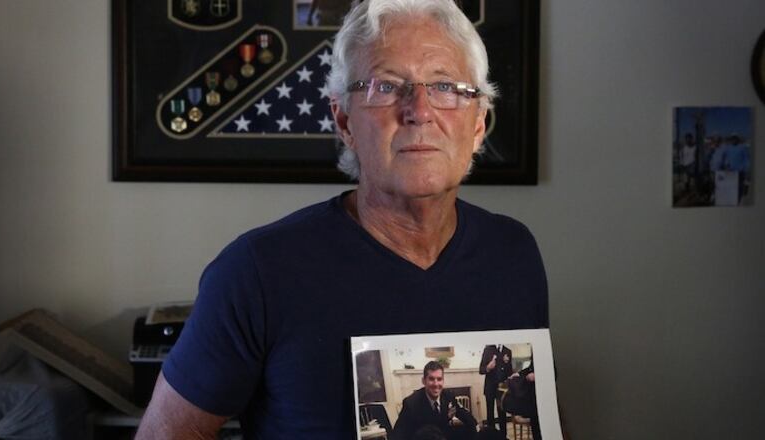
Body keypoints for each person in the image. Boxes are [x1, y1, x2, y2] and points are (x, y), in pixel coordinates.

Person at [135, 1, 549, 438]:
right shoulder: (256, 271)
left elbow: (544, 416)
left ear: (479, 122)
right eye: (387, 86)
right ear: (344, 120)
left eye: (446, 86)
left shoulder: (513, 253)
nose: (420, 110)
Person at [392, 361, 477, 440]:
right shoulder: (411, 403)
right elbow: (398, 434)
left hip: (443, 435)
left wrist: (476, 427)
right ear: (424, 381)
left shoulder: (448, 396)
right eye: (431, 379)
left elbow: (464, 415)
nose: (436, 384)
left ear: (443, 381)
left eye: (439, 379)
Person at [478, 344, 512, 433]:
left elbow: (510, 372)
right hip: (489, 388)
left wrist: (506, 363)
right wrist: (488, 367)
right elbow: (481, 370)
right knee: (490, 413)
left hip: (502, 389)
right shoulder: (488, 349)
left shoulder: (508, 351)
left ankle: (503, 436)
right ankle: (491, 436)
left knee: (502, 413)